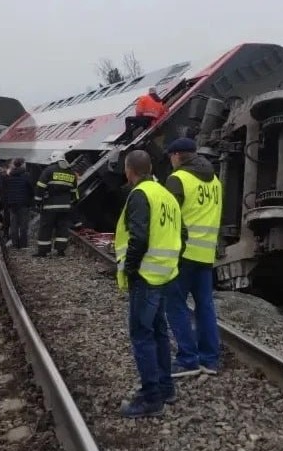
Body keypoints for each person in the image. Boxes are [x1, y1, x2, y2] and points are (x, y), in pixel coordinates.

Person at [115, 149, 185, 418]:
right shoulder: (166, 195)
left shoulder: (141, 195)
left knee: (142, 336)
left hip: (145, 276)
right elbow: (183, 234)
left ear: (130, 170)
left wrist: (131, 268)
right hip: (165, 274)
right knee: (158, 332)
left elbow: (139, 237)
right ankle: (166, 388)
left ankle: (150, 398)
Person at [163, 137, 223, 377]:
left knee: (175, 304)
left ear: (177, 155)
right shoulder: (215, 181)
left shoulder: (178, 179)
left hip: (182, 254)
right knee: (205, 306)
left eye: (170, 156)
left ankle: (187, 359)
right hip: (206, 254)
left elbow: (168, 218)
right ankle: (210, 359)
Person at [33, 154, 77, 257]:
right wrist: (69, 203)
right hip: (65, 207)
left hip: (50, 206)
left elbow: (40, 187)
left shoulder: (49, 170)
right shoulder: (71, 173)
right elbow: (74, 192)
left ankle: (43, 252)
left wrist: (38, 201)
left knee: (46, 228)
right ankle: (60, 251)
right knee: (62, 228)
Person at [4, 158, 34, 249]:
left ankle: (15, 244)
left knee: (14, 225)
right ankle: (23, 245)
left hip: (12, 204)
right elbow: (31, 190)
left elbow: (6, 190)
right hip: (23, 204)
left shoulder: (9, 176)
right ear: (21, 164)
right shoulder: (26, 176)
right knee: (23, 225)